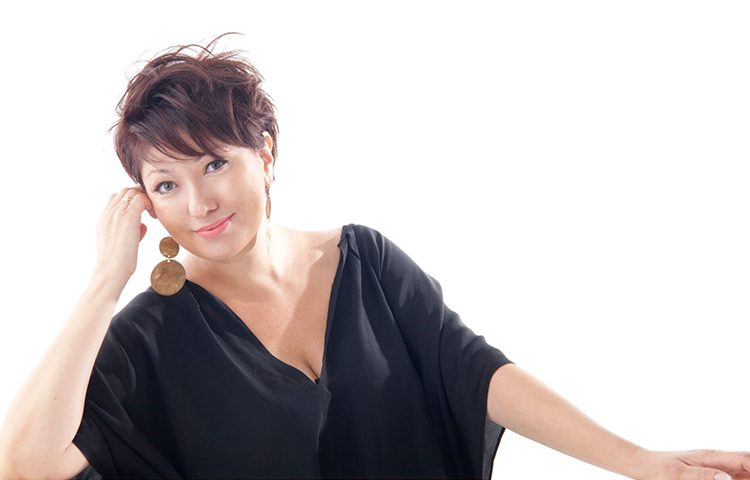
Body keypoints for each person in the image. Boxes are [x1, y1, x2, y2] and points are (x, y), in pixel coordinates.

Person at [0, 35, 748, 480]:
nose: (198, 203)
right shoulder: (147, 338)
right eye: (167, 183)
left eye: (215, 163)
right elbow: (24, 464)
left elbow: (475, 373)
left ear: (265, 155)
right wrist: (104, 283)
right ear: (145, 202)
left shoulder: (364, 261)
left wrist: (640, 462)